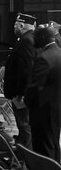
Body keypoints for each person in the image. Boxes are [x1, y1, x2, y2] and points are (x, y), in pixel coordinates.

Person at [25, 24, 61, 162]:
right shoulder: (58, 52)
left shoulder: (44, 58)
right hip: (56, 107)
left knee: (43, 150)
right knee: (53, 145)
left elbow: (35, 88)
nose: (33, 39)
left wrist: (26, 102)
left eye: (35, 36)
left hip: (43, 112)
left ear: (43, 37)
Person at [4, 13, 37, 148]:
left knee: (24, 123)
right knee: (22, 123)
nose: (14, 27)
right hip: (22, 91)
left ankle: (26, 155)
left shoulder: (26, 41)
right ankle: (22, 144)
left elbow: (27, 70)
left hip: (21, 93)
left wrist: (23, 94)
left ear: (22, 25)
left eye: (15, 25)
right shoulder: (28, 38)